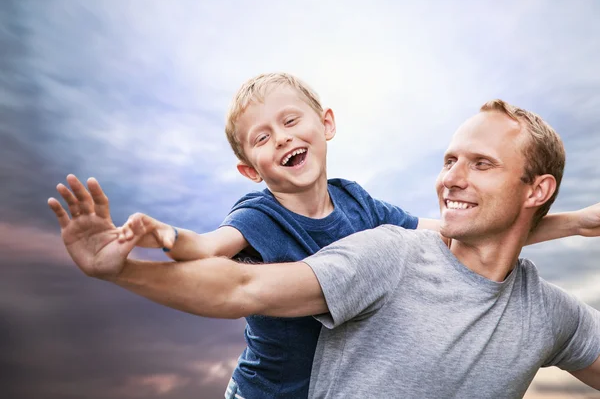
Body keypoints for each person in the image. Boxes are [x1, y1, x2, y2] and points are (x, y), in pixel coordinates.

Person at [49, 99, 600, 398]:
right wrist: (131, 264)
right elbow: (236, 280)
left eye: (480, 164)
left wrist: (575, 222)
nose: (451, 179)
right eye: (449, 160)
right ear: (249, 167)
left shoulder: (553, 316)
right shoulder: (376, 251)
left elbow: (467, 231)